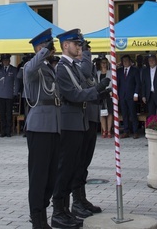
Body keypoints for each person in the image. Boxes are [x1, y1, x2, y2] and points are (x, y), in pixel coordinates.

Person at [51, 29, 110, 229]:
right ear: (65, 45)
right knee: (65, 170)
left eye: (81, 45)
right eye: (77, 44)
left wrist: (99, 93)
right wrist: (97, 90)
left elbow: (83, 89)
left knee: (73, 168)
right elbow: (74, 95)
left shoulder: (73, 67)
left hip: (80, 123)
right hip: (69, 125)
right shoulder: (62, 68)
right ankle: (58, 211)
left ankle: (66, 210)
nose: (81, 48)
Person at [23, 29, 61, 229]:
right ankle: (37, 217)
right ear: (39, 48)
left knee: (51, 175)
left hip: (53, 126)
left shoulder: (48, 67)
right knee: (39, 175)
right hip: (39, 126)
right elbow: (29, 70)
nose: (52, 48)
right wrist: (43, 53)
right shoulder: (32, 66)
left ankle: (42, 209)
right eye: (47, 45)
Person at [71, 39, 102, 220]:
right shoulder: (76, 67)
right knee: (79, 162)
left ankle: (82, 198)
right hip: (82, 120)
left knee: (85, 163)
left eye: (87, 49)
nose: (86, 52)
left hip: (92, 117)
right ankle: (76, 200)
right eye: (83, 48)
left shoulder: (87, 68)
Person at [0, 54, 18, 137]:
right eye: (4, 60)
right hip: (0, 94)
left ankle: (8, 131)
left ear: (9, 61)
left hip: (9, 94)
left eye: (7, 60)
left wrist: (15, 93)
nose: (5, 62)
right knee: (2, 114)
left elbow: (16, 82)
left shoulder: (13, 69)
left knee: (9, 114)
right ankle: (3, 131)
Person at [117, 55, 140, 139]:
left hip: (131, 96)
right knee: (124, 114)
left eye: (126, 60)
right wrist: (117, 95)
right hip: (122, 95)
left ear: (130, 61)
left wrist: (136, 94)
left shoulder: (135, 70)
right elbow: (117, 84)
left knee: (133, 114)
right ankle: (126, 131)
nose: (125, 62)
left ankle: (135, 131)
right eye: (123, 61)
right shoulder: (119, 71)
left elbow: (138, 83)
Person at [97, 57, 113, 138]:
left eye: (105, 62)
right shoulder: (98, 73)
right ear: (100, 64)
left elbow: (112, 83)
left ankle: (109, 131)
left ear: (107, 64)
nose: (103, 64)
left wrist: (109, 90)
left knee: (109, 113)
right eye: (102, 62)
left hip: (108, 94)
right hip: (100, 95)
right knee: (102, 113)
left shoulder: (110, 72)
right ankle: (104, 130)